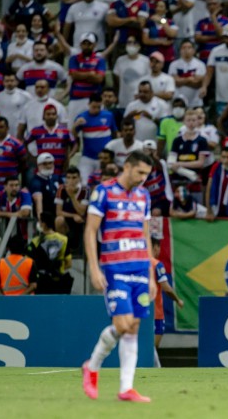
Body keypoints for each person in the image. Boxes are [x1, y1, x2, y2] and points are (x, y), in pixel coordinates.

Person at [82, 151, 156, 402]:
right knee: (123, 325)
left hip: (139, 269)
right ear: (127, 167)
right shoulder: (103, 192)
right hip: (115, 268)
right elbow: (90, 231)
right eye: (140, 173)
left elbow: (145, 236)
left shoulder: (143, 196)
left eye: (147, 174)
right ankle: (92, 367)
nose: (143, 179)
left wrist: (152, 275)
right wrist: (94, 267)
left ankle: (126, 388)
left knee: (133, 327)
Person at [27, 211, 72, 295]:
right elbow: (69, 264)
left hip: (42, 283)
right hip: (59, 283)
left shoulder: (35, 242)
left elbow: (29, 264)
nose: (39, 223)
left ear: (43, 224)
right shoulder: (64, 239)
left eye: (40, 221)